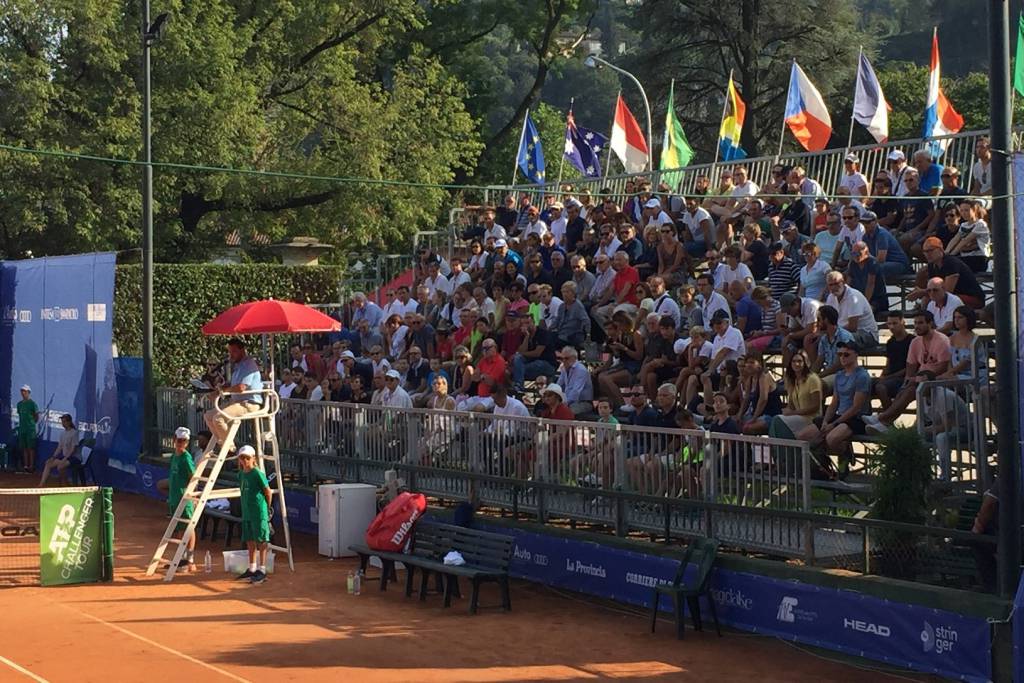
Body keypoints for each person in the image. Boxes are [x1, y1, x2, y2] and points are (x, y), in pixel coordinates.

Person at [798, 341, 871, 473]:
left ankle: (844, 454)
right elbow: (834, 402)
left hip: (857, 418)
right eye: (840, 355)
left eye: (846, 354)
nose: (842, 357)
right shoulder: (839, 376)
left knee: (831, 439)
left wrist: (834, 423)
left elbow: (856, 407)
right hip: (840, 415)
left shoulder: (862, 376)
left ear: (856, 355)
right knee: (803, 435)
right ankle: (823, 466)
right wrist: (826, 421)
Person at [204, 338, 263, 454]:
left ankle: (230, 448)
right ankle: (223, 442)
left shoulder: (249, 364)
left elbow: (241, 387)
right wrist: (219, 389)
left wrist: (224, 390)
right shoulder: (238, 365)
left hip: (249, 403)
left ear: (242, 350)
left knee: (218, 418)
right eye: (230, 352)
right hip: (236, 402)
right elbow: (233, 385)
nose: (231, 355)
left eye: (234, 352)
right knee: (208, 416)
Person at [235, 445, 272, 584]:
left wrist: (266, 509)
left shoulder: (257, 473)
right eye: (242, 458)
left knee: (261, 540)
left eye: (247, 458)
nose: (244, 461)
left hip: (258, 512)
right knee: (250, 540)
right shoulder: (241, 474)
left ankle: (262, 570)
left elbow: (267, 491)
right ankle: (252, 568)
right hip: (247, 513)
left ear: (253, 459)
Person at [166, 427, 197, 572]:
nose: (181, 443)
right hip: (174, 498)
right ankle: (181, 557)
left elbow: (193, 478)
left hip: (185, 499)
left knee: (188, 528)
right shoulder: (174, 457)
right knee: (179, 529)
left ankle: (190, 561)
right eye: (179, 440)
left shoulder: (186, 458)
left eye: (184, 441)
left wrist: (192, 495)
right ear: (174, 440)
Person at [770, 351, 822, 438]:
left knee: (777, 420)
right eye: (794, 361)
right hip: (798, 416)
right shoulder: (792, 380)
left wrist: (793, 413)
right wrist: (786, 411)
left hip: (810, 418)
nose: (796, 364)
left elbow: (815, 407)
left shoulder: (812, 379)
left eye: (800, 361)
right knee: (777, 420)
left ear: (805, 363)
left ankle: (780, 449)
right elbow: (791, 405)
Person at [824, 271, 878, 349]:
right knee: (812, 339)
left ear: (843, 282)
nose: (833, 287)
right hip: (841, 332)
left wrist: (832, 332)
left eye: (836, 284)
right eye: (831, 285)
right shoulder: (830, 297)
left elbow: (852, 327)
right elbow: (828, 321)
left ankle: (836, 361)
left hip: (867, 334)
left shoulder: (853, 297)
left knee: (840, 338)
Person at [874, 312, 914, 411]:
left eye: (895, 323)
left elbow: (912, 367)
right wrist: (882, 376)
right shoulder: (890, 342)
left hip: (904, 378)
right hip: (891, 376)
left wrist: (888, 377)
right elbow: (888, 362)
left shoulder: (912, 341)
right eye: (889, 324)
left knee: (881, 387)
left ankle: (887, 417)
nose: (891, 327)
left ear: (902, 322)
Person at [38, 414, 80, 487]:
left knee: (60, 466)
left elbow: (73, 449)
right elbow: (59, 447)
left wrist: (65, 459)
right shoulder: (62, 433)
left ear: (69, 422)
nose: (63, 423)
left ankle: (65, 484)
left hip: (74, 457)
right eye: (62, 422)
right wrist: (53, 457)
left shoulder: (74, 433)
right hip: (65, 456)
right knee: (48, 463)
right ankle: (41, 484)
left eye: (64, 421)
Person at [557, 347, 594, 415]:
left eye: (566, 358)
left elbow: (576, 392)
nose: (564, 361)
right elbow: (558, 386)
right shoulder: (564, 369)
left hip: (583, 402)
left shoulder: (581, 370)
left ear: (574, 358)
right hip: (569, 401)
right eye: (562, 359)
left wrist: (563, 404)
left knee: (566, 412)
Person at [16, 384, 39, 473]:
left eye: (24, 391)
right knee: (24, 448)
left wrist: (32, 424)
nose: (23, 393)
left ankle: (31, 466)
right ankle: (25, 466)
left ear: (28, 392)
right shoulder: (19, 404)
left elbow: (36, 416)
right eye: (22, 391)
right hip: (22, 429)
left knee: (31, 448)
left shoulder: (32, 404)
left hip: (30, 430)